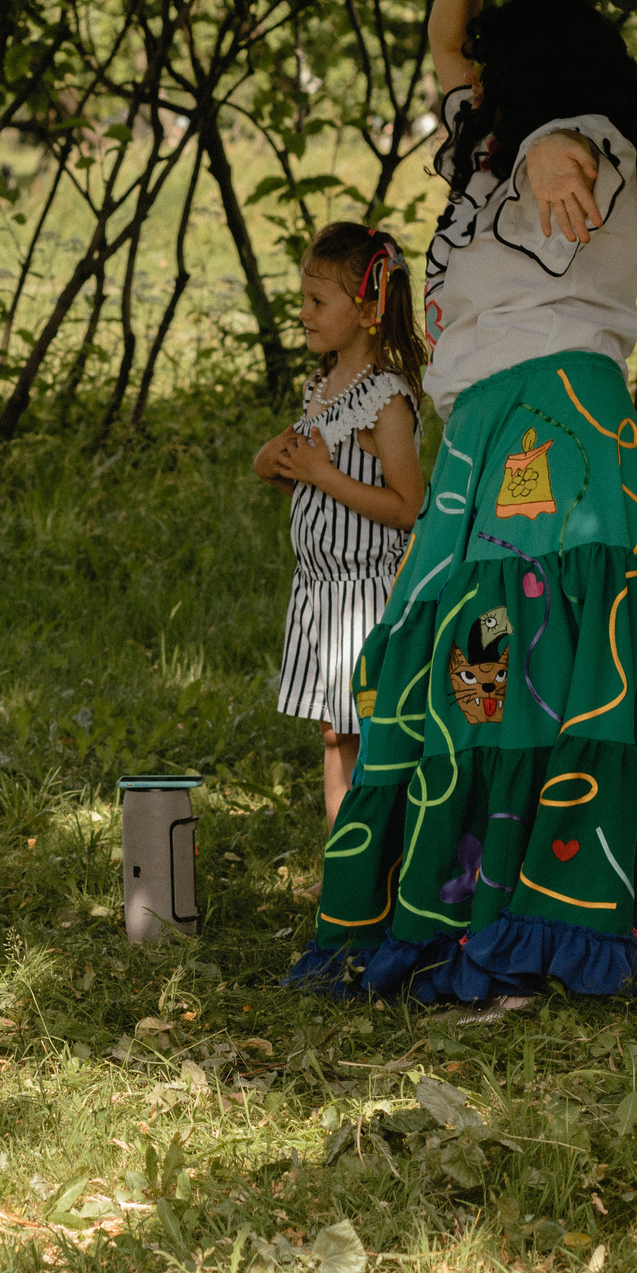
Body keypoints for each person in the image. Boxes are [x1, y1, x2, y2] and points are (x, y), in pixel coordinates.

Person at [290, 0, 637, 1004]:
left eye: (503, 66)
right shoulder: (485, 137)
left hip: (551, 427)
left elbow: (568, 151)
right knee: (470, 665)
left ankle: (532, 926)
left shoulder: (576, 138)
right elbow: (448, 57)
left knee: (531, 661)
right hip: (487, 431)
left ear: (541, 76)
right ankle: (469, 900)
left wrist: (553, 151)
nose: (480, 80)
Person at [253, 223, 426, 827]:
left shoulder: (386, 400)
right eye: (303, 298)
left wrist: (322, 475)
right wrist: (272, 466)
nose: (303, 312)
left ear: (368, 309)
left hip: (368, 599)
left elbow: (408, 506)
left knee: (375, 739)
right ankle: (344, 866)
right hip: (321, 596)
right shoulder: (322, 388)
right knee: (336, 736)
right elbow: (311, 478)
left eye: (316, 302)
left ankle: (382, 869)